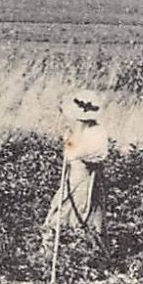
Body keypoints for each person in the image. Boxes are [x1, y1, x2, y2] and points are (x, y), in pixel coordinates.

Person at [43, 90, 109, 255]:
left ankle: (75, 258)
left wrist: (70, 139)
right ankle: (56, 256)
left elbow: (72, 153)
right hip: (74, 178)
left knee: (77, 215)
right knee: (63, 213)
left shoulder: (95, 133)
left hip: (84, 182)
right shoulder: (86, 131)